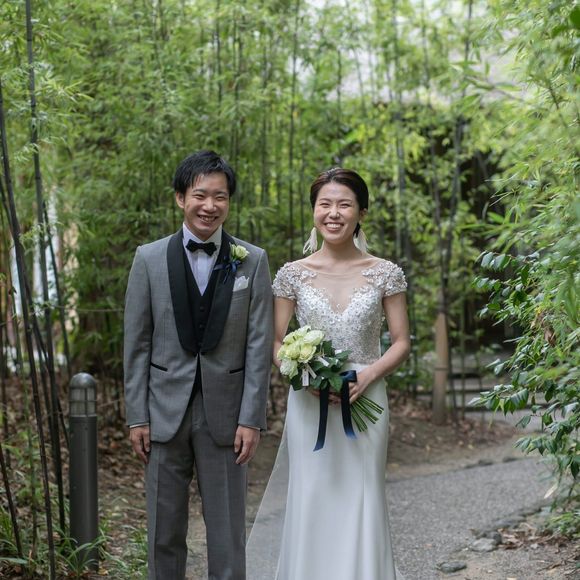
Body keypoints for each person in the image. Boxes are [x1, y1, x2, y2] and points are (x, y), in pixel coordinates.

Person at [253, 167, 410, 579]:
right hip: (310, 399)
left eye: (344, 204)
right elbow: (275, 341)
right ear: (314, 211)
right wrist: (304, 376)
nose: (333, 213)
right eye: (325, 204)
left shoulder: (385, 273)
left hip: (367, 396)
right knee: (313, 492)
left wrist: (368, 375)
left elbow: (401, 342)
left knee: (363, 492)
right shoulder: (293, 274)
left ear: (361, 212)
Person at [123, 150, 274, 580]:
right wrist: (137, 416)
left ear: (229, 201)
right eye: (200, 195)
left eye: (220, 197)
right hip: (162, 413)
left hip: (227, 417)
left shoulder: (252, 260)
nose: (210, 206)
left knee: (227, 533)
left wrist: (252, 418)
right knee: (163, 531)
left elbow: (258, 345)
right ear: (180, 198)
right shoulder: (148, 258)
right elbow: (137, 342)